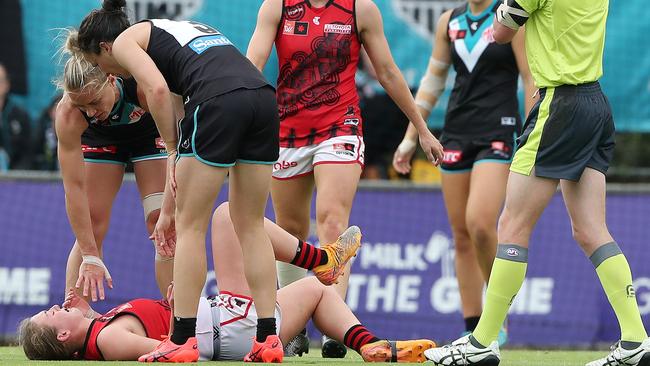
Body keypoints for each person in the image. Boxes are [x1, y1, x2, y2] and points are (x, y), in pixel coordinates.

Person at [425, 1, 650, 365]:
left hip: (558, 103)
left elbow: (499, 33)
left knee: (512, 225)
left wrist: (504, 13)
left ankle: (482, 343)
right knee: (591, 230)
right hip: (594, 103)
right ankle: (635, 340)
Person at [75, 0, 284, 361]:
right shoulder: (176, 32)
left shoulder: (126, 41)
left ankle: (183, 338)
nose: (106, 72)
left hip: (218, 101)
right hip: (262, 98)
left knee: (191, 228)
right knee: (249, 224)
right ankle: (268, 338)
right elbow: (175, 98)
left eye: (98, 64)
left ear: (106, 48)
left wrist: (172, 149)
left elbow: (155, 91)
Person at [247, 0, 444, 357]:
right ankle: (293, 328)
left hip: (340, 126)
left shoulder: (360, 9)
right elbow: (254, 64)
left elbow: (386, 71)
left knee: (332, 221)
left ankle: (335, 327)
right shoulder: (276, 5)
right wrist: (239, 114)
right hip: (287, 129)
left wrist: (422, 129)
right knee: (289, 228)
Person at [19, 202, 436, 362]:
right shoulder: (108, 341)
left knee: (314, 290)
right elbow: (176, 353)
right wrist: (185, 311)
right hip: (229, 329)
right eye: (54, 312)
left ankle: (368, 344)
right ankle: (322, 258)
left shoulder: (103, 328)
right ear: (62, 333)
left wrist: (174, 308)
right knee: (226, 216)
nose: (60, 304)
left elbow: (167, 335)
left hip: (228, 322)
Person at [392, 0, 535, 345]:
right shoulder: (449, 22)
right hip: (456, 132)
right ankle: (473, 327)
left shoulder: (510, 15)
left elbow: (530, 79)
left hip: (499, 132)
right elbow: (433, 81)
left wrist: (532, 133)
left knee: (481, 224)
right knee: (461, 236)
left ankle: (496, 317)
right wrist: (412, 137)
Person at [54, 44, 172, 301]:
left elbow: (177, 145)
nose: (91, 112)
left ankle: (181, 323)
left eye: (94, 102)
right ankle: (75, 318)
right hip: (100, 139)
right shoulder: (70, 115)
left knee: (161, 223)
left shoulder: (141, 86)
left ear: (110, 78)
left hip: (150, 134)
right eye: (82, 106)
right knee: (92, 226)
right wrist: (89, 254)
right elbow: (73, 187)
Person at [0, 62, 32, 170]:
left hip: (15, 177)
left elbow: (27, 152)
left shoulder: (20, 115)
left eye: (0, 81)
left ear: (7, 85)